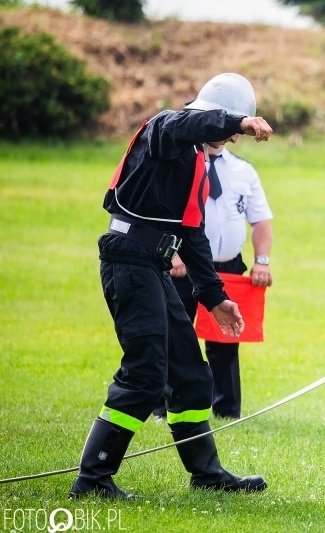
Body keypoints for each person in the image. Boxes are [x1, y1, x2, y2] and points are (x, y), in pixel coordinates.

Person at [69, 73, 273, 500]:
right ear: (217, 115)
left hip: (154, 266)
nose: (234, 138)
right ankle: (92, 479)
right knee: (145, 374)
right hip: (129, 261)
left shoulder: (196, 159)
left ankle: (207, 474)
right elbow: (186, 123)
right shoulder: (167, 130)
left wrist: (214, 297)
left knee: (190, 374)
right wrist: (238, 120)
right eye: (233, 128)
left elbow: (192, 234)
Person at [153, 143, 274, 420]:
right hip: (183, 267)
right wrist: (173, 254)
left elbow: (260, 222)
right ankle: (164, 407)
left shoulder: (244, 170)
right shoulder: (182, 164)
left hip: (228, 268)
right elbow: (163, 214)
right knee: (175, 336)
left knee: (227, 335)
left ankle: (227, 411)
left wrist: (262, 261)